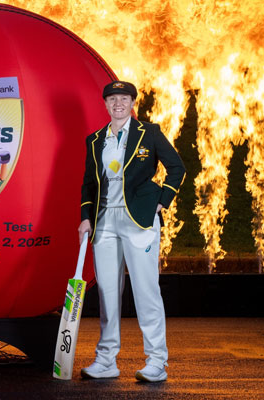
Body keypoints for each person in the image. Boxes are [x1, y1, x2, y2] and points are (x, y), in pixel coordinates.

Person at [78, 80, 185, 382]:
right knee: (107, 292)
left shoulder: (149, 133)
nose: (118, 104)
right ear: (106, 104)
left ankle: (156, 362)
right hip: (104, 222)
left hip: (139, 220)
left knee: (146, 291)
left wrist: (161, 202)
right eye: (113, 99)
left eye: (124, 98)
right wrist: (86, 216)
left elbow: (177, 167)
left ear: (132, 103)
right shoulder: (95, 139)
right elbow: (88, 183)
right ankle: (106, 360)